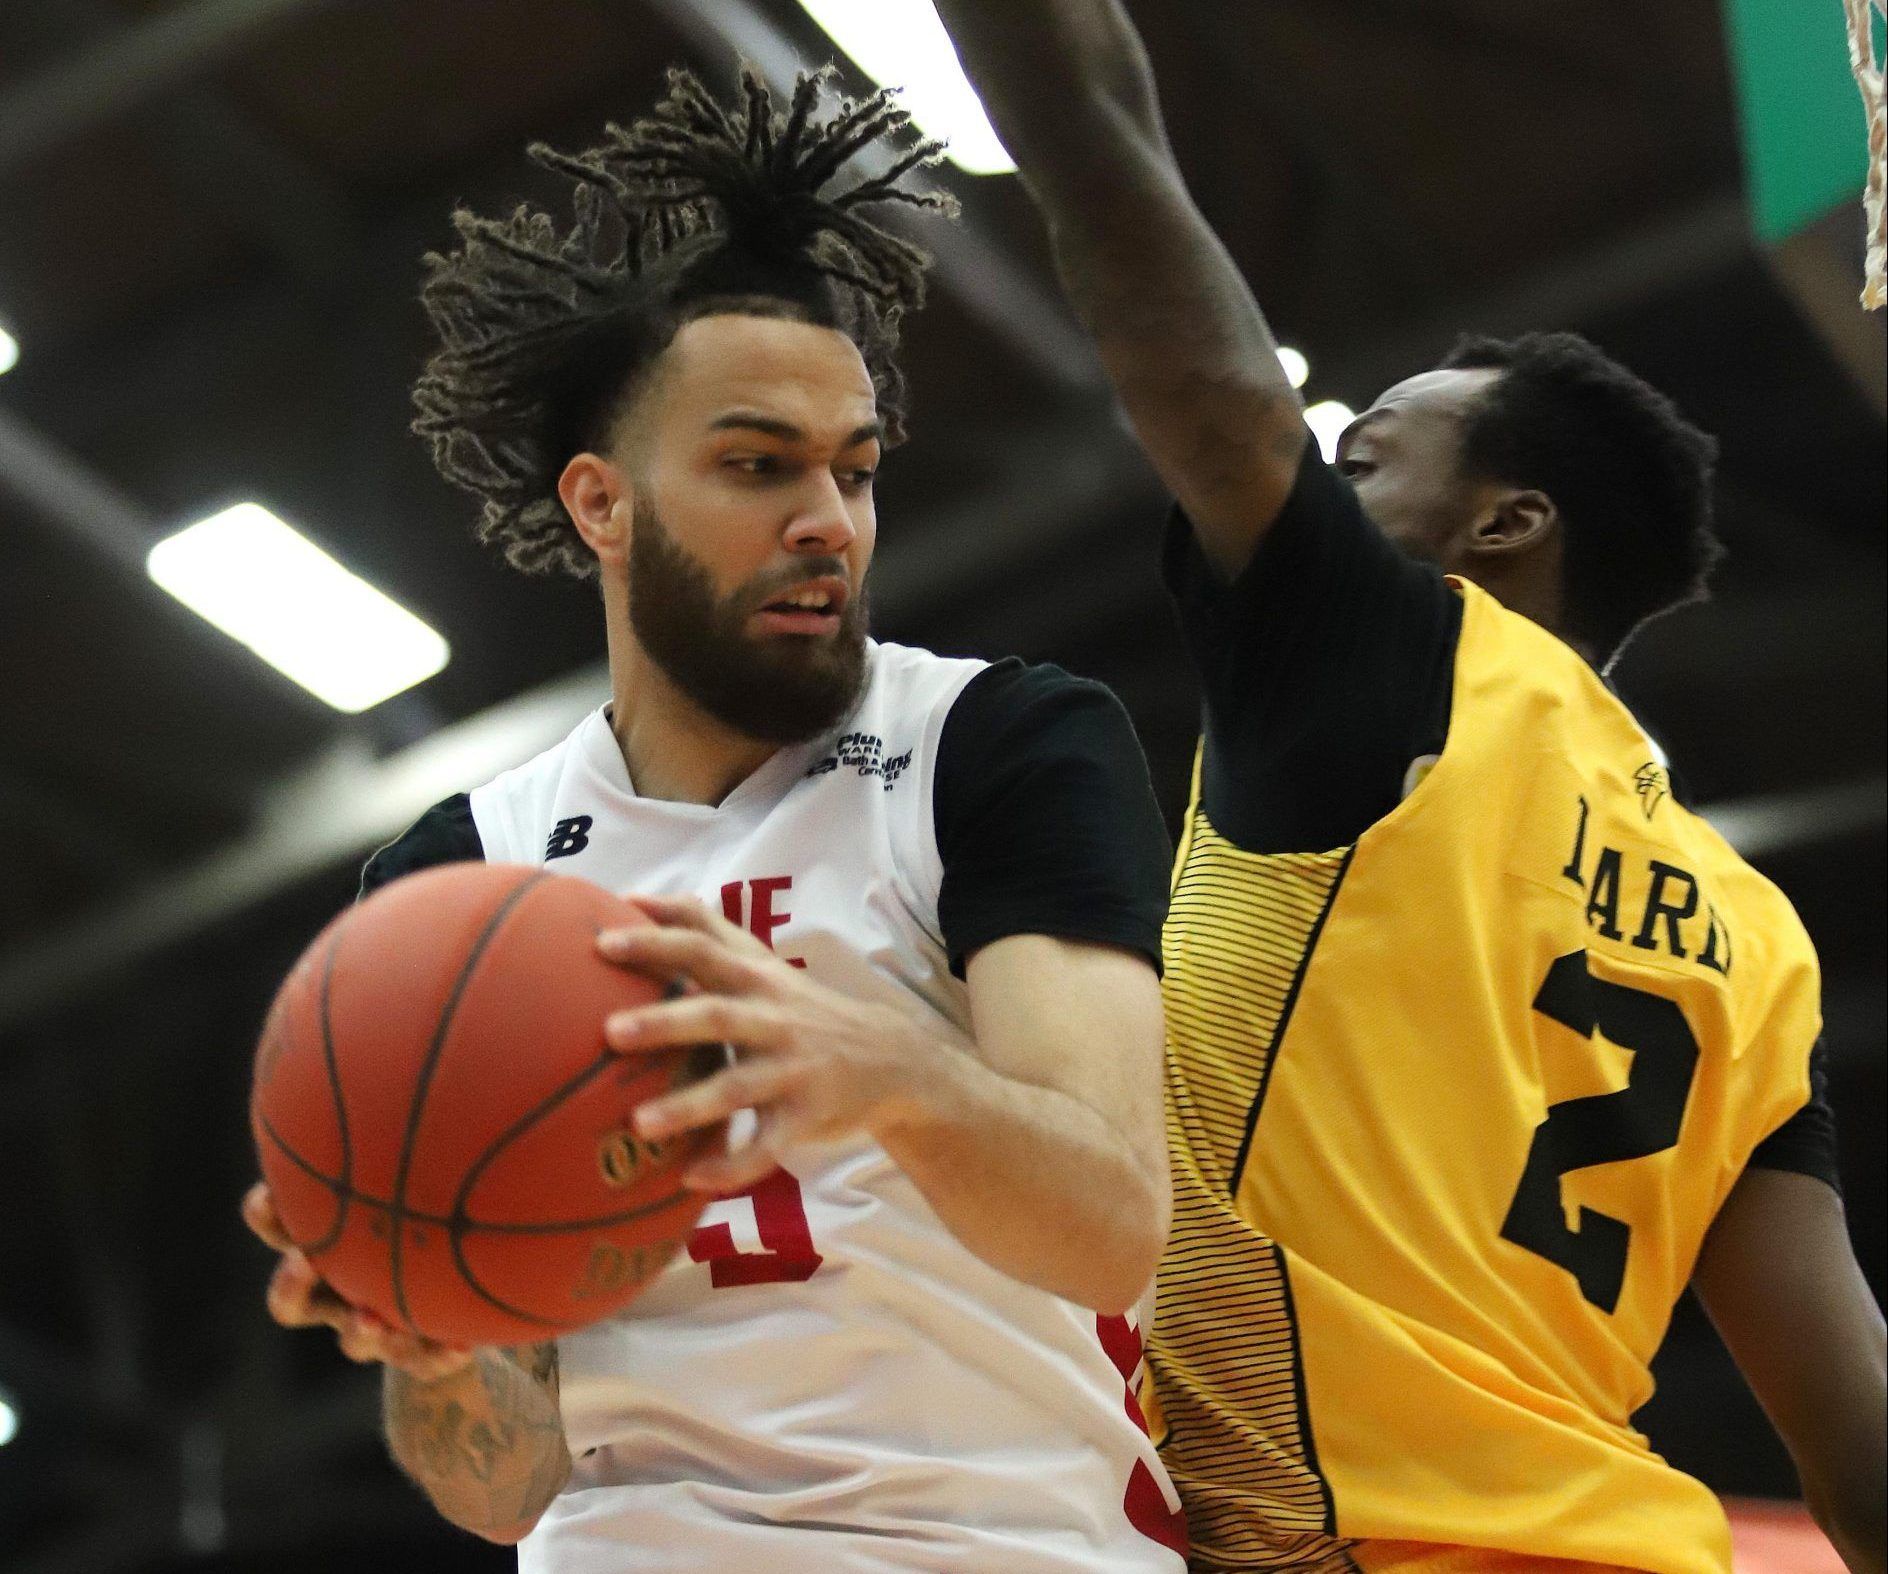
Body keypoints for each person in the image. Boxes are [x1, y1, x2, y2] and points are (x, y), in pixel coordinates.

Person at [931, 4, 1887, 1572]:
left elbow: (1165, 288)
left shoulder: (1407, 660)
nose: (1318, 478)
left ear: (1501, 528)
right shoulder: (1756, 942)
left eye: (1363, 459)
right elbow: (1855, 1431)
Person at [241, 67, 1190, 1571]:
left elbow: (1117, 1218)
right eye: (758, 464)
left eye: (855, 468)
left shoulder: (996, 742)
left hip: (995, 1540)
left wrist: (887, 1069)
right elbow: (499, 1484)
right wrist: (424, 1339)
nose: (830, 516)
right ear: (602, 505)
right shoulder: (460, 873)